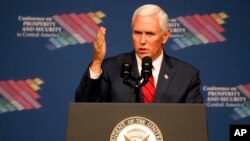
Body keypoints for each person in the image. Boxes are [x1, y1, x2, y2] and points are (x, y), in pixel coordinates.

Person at [75, 4, 203, 103]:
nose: (142, 41)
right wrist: (97, 62)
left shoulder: (186, 75)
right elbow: (86, 109)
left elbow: (193, 125)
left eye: (150, 34)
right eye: (137, 33)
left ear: (165, 36)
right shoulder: (110, 68)